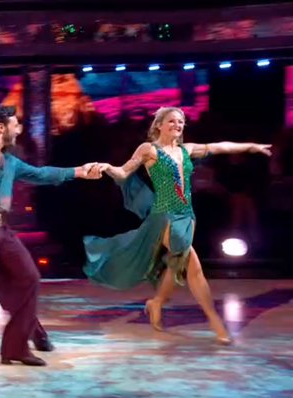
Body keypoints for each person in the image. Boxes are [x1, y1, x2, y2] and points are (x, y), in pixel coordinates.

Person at [86, 106, 271, 345]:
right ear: (159, 125)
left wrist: (251, 147)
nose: (177, 125)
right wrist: (107, 167)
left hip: (187, 215)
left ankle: (156, 303)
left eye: (181, 121)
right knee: (193, 268)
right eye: (172, 121)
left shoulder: (187, 149)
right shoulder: (149, 149)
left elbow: (221, 146)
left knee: (176, 265)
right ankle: (215, 321)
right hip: (164, 216)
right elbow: (123, 173)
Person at [0, 104, 102, 366]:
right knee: (9, 293)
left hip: (0, 230)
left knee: (30, 277)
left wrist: (79, 171)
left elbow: (41, 174)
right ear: (1, 127)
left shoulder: (9, 161)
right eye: (16, 124)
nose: (19, 129)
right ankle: (17, 347)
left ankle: (28, 337)